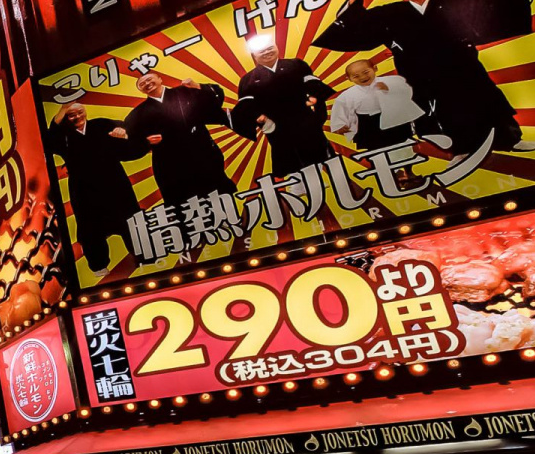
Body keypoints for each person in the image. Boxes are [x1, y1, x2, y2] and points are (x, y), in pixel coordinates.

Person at [314, 0, 535, 155]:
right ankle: (462, 149)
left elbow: (491, 0)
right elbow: (357, 25)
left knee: (486, 100)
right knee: (445, 111)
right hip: (422, 74)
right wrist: (354, 0)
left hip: (462, 66)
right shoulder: (392, 13)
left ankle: (510, 140)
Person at [46, 102, 143, 276]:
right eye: (72, 114)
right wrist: (62, 109)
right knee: (90, 229)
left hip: (114, 184)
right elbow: (49, 140)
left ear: (85, 112)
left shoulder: (102, 125)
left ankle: (144, 256)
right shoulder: (65, 136)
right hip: (84, 190)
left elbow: (128, 134)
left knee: (130, 220)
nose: (77, 117)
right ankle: (99, 266)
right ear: (67, 118)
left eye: (79, 112)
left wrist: (124, 134)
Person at [228, 36, 336, 178]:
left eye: (270, 48)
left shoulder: (296, 64)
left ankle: (336, 178)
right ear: (254, 55)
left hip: (304, 118)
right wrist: (260, 118)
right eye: (262, 51)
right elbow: (247, 106)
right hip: (277, 126)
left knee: (320, 150)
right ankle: (298, 184)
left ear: (277, 47)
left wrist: (315, 99)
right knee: (288, 157)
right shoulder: (248, 79)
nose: (267, 52)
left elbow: (313, 84)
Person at [121, 72, 233, 205]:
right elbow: (132, 140)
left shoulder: (184, 92)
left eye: (149, 79)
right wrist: (146, 142)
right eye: (142, 84)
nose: (146, 84)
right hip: (170, 165)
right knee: (184, 205)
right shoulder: (137, 114)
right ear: (140, 89)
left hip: (202, 154)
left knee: (219, 195)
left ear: (160, 79)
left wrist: (197, 86)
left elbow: (215, 99)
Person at [327, 58, 424, 149]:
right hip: (368, 124)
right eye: (356, 76)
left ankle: (407, 166)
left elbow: (406, 91)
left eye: (366, 72)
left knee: (403, 144)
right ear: (348, 78)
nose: (363, 77)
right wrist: (340, 125)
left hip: (394, 119)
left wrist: (388, 88)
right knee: (375, 149)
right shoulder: (346, 96)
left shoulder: (392, 80)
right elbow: (341, 108)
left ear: (375, 68)